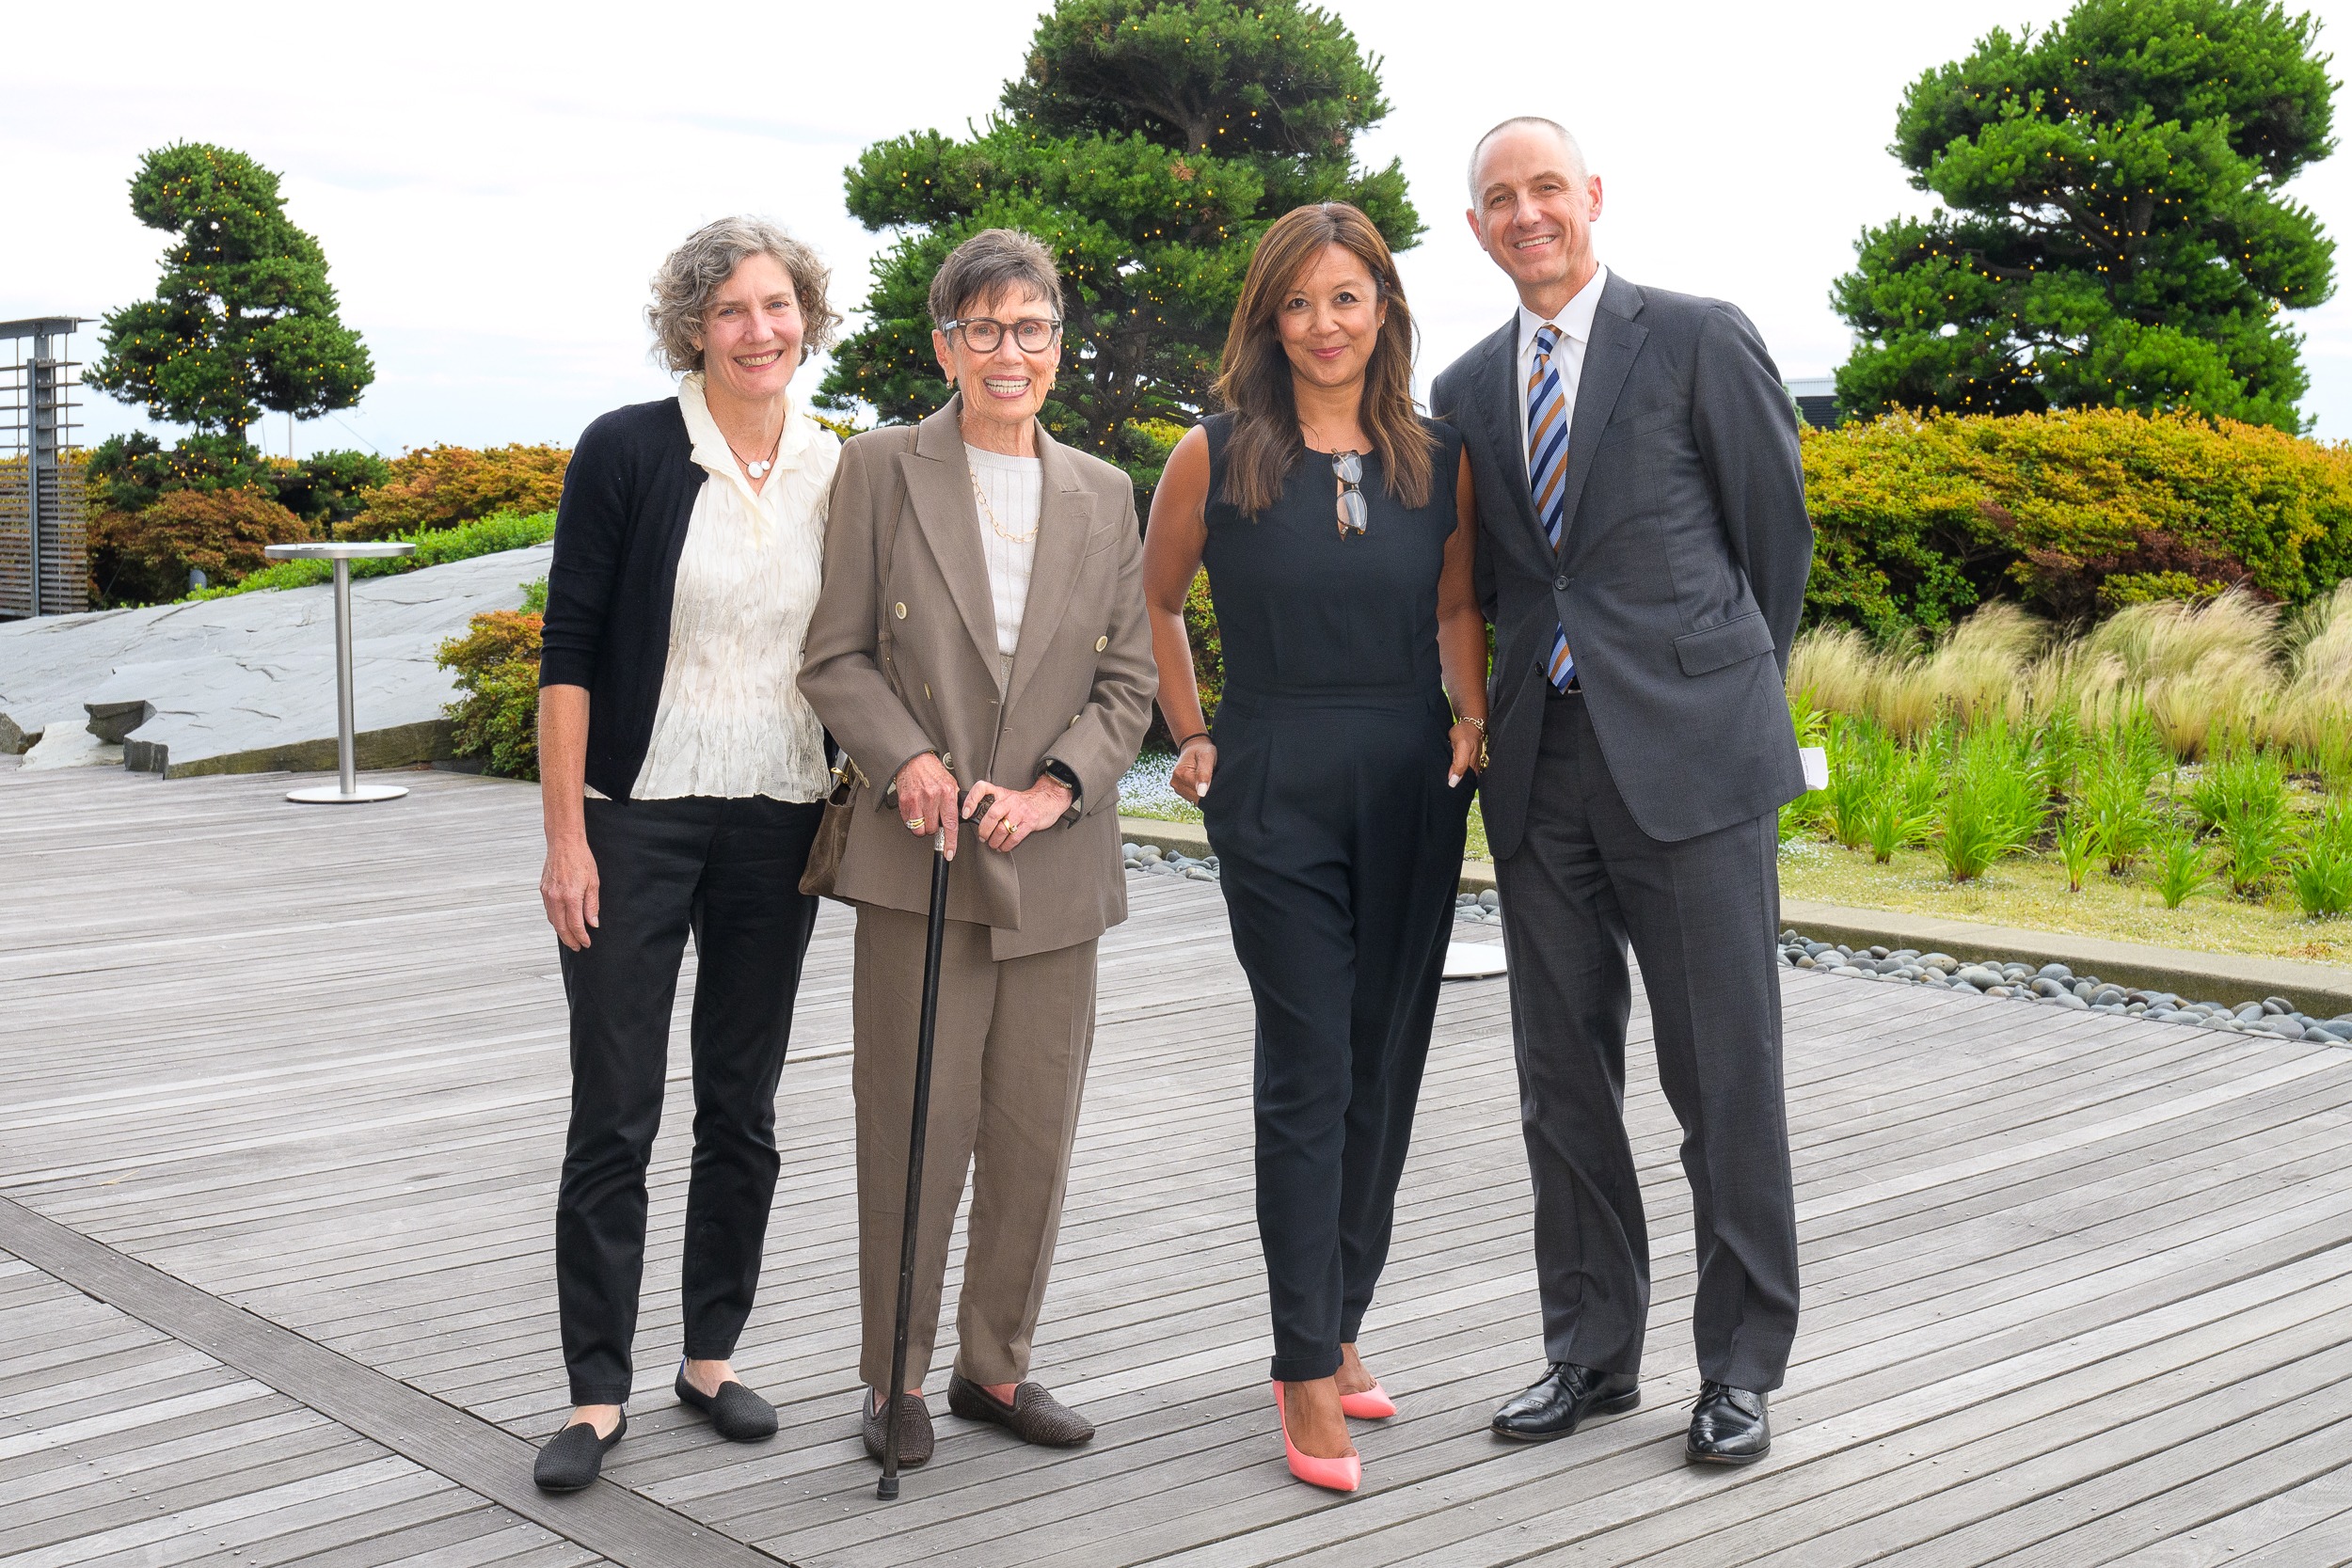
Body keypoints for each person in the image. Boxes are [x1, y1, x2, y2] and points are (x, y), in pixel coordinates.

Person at [1429, 118, 1813, 1466]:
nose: (1526, 214)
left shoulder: (1701, 338)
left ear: (1592, 197)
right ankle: (1590, 1355)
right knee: (1562, 1080)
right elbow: (1479, 583)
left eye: (1546, 189)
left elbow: (1776, 553)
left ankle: (1742, 1367)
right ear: (1476, 229)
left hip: (1697, 768)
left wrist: (1704, 692)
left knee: (1726, 1075)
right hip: (1543, 773)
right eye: (1499, 199)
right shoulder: (1469, 388)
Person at [799, 227, 1155, 1469]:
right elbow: (834, 654)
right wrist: (909, 764)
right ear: (944, 344)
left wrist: (1060, 787)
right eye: (987, 328)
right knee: (911, 1120)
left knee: (1030, 1130)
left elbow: (1128, 683)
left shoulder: (1107, 493)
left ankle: (993, 1367)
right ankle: (891, 1378)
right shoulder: (879, 469)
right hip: (922, 862)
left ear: (1061, 341)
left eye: (1036, 326)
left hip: (1053, 867)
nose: (1014, 351)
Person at [1143, 202, 1486, 1494]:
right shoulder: (1215, 455)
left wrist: (1471, 712)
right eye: (1299, 302)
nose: (1325, 325)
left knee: (1385, 1060)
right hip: (1276, 777)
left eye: (1348, 298)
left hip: (1411, 780)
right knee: (1309, 1061)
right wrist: (1191, 731)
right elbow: (1158, 598)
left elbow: (1458, 604)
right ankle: (1298, 1362)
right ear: (1267, 319)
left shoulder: (1437, 457)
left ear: (1384, 309)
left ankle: (1342, 1318)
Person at [531, 217, 844, 1491]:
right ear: (693, 328)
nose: (759, 331)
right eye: (731, 312)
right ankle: (595, 1389)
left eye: (777, 306)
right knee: (615, 1107)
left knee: (743, 1103)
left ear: (805, 317)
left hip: (780, 814)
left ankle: (710, 1353)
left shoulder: (841, 464)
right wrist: (565, 836)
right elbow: (567, 649)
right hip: (636, 813)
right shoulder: (629, 450)